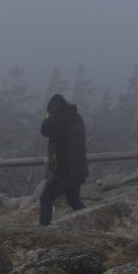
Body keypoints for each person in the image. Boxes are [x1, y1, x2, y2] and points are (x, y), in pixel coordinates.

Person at [39, 93, 89, 225]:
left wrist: (48, 114)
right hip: (77, 168)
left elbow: (44, 129)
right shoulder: (76, 118)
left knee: (46, 199)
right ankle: (92, 222)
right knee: (74, 200)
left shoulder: (60, 120)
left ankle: (43, 230)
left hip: (63, 170)